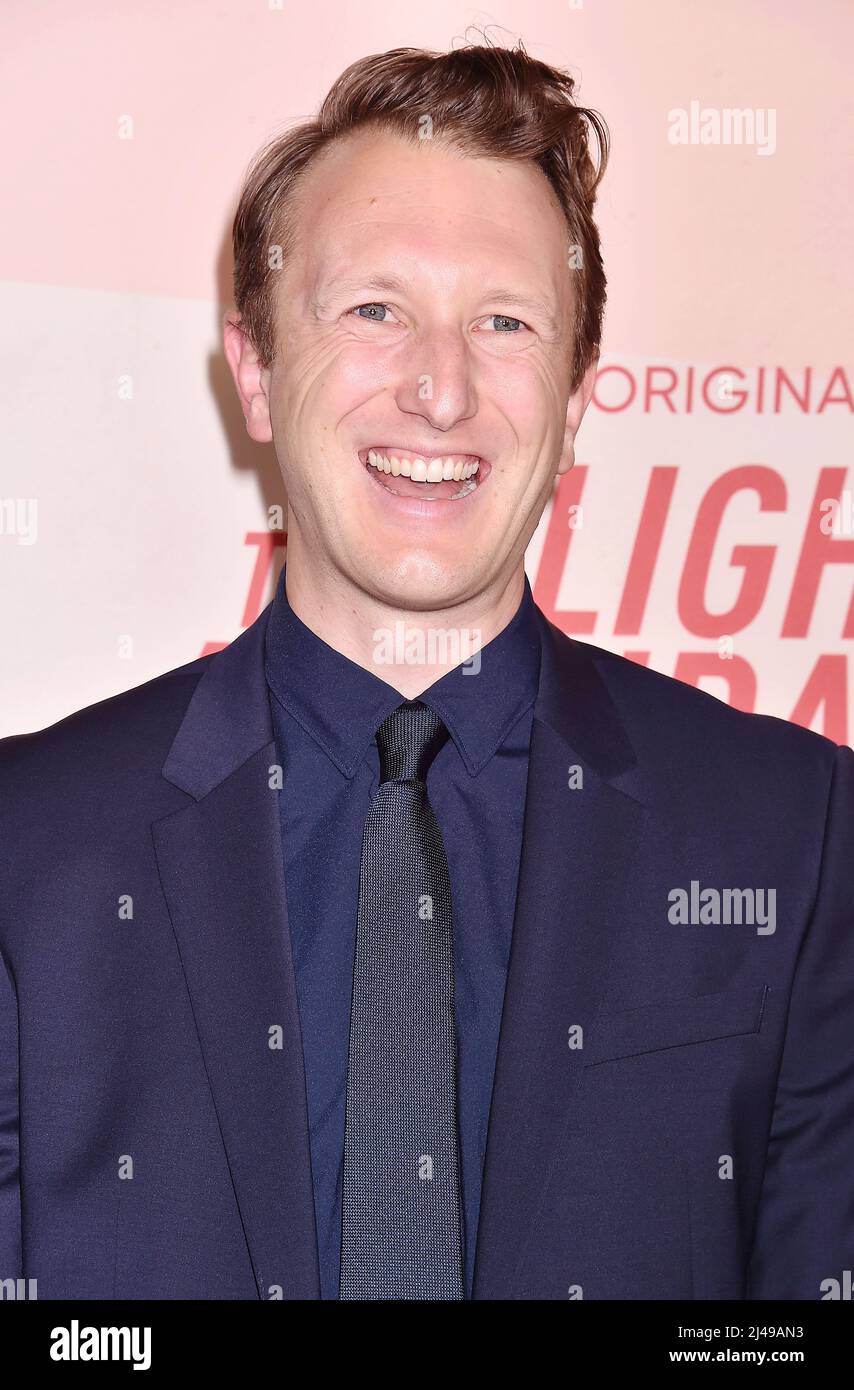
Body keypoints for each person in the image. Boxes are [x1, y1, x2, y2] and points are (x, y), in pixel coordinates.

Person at [1, 40, 852, 1302]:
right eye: (372, 311)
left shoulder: (791, 833)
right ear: (252, 369)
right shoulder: (30, 845)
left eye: (503, 323)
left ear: (572, 397)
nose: (439, 391)